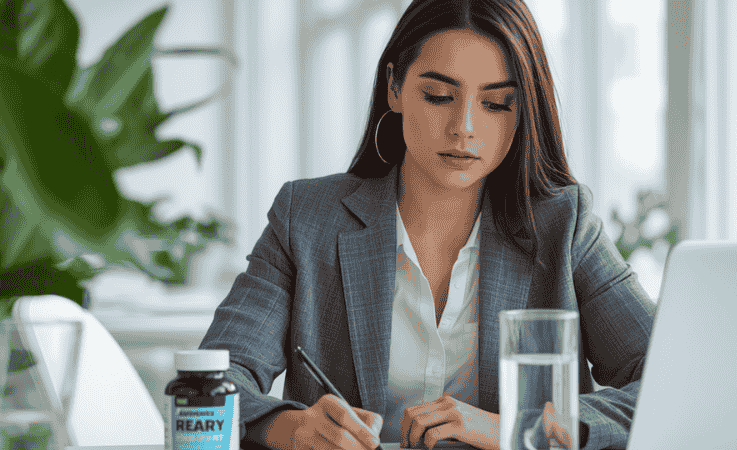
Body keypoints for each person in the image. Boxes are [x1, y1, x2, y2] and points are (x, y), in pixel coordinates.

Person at [200, 0, 656, 449]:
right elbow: (212, 380)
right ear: (394, 86)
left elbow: (668, 379)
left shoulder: (563, 226)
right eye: (439, 96)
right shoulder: (306, 217)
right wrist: (291, 429)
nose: (465, 127)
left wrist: (517, 428)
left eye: (497, 103)